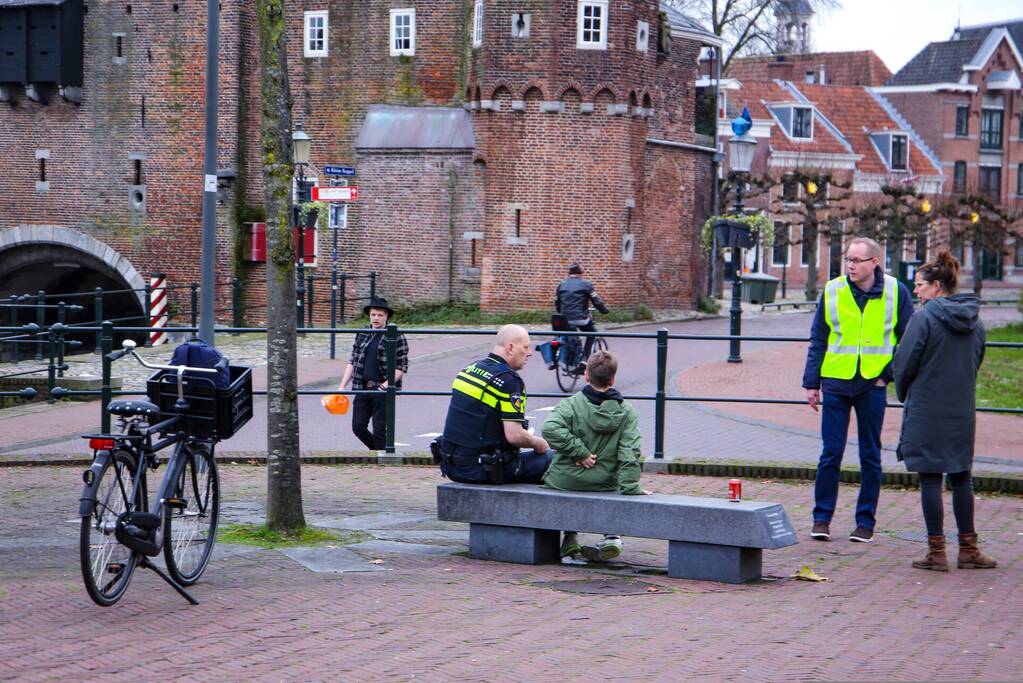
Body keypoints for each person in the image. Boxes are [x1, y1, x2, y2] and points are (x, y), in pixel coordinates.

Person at [803, 237, 914, 543]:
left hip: (872, 384)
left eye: (857, 260)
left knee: (870, 454)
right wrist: (812, 383)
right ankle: (821, 519)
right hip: (836, 381)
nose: (851, 265)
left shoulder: (896, 292)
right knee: (830, 454)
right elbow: (819, 338)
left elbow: (909, 341)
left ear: (874, 262)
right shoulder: (833, 290)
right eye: (848, 260)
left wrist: (886, 376)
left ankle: (865, 522)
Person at [893, 251, 995, 571]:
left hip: (928, 408)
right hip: (961, 407)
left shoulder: (923, 318)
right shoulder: (974, 320)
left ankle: (936, 552)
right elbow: (976, 359)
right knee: (962, 476)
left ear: (937, 286)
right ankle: (969, 548)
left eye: (920, 285)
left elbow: (904, 363)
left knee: (930, 478)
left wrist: (905, 389)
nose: (916, 291)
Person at [541, 350, 649, 563]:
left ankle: (570, 538)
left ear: (586, 376)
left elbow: (549, 429)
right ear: (613, 379)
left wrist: (578, 451)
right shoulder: (627, 412)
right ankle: (612, 535)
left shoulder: (571, 404)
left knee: (558, 481)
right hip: (604, 482)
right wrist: (631, 487)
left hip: (565, 480)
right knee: (614, 487)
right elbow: (629, 452)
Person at [435, 324, 553, 484]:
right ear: (510, 347)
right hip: (484, 470)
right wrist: (539, 444)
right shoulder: (509, 381)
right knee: (555, 460)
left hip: (452, 466)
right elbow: (515, 436)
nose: (530, 353)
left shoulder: (469, 370)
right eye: (526, 347)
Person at [338, 297, 409, 451]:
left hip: (381, 389)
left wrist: (384, 387)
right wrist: (342, 386)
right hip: (362, 387)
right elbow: (353, 360)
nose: (376, 318)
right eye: (373, 315)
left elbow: (401, 366)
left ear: (386, 316)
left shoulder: (396, 335)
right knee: (358, 427)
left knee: (379, 430)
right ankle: (379, 453)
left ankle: (382, 460)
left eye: (380, 315)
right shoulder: (363, 331)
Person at [555, 263, 609, 372]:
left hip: (564, 319)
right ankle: (584, 359)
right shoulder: (586, 284)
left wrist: (562, 313)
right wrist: (604, 311)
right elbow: (597, 301)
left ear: (569, 273)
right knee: (592, 333)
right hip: (580, 318)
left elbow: (557, 302)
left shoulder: (562, 284)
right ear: (581, 273)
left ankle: (568, 360)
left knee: (571, 337)